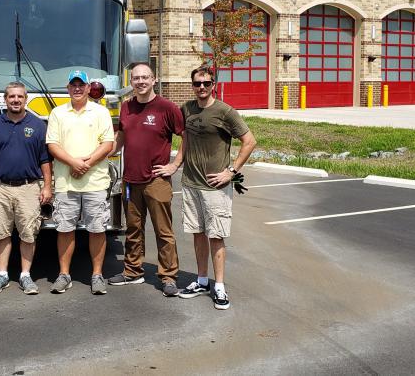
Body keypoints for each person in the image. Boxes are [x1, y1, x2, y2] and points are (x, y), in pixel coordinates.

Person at [175, 66, 257, 310]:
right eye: (197, 83)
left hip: (215, 187)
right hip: (191, 183)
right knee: (198, 233)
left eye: (206, 83)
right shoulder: (187, 109)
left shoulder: (225, 111)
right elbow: (185, 139)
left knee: (216, 235)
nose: (201, 87)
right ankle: (201, 280)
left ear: (214, 85)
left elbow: (249, 141)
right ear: (192, 85)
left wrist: (231, 172)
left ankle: (219, 286)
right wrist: (175, 164)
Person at [107, 63, 184, 297]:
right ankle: (133, 271)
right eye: (136, 78)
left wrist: (174, 165)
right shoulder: (126, 107)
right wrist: (102, 153)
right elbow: (121, 136)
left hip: (156, 180)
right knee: (133, 229)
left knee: (163, 231)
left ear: (154, 80)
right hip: (130, 180)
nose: (140, 82)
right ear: (131, 81)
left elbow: (186, 137)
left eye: (145, 77)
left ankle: (168, 276)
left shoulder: (167, 108)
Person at [0, 82, 53, 295]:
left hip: (29, 187)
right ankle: (2, 275)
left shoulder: (38, 125)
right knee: (0, 232)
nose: (16, 100)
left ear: (26, 99)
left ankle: (25, 276)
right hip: (0, 187)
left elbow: (45, 160)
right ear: (5, 99)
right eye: (11, 96)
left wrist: (47, 186)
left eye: (20, 96)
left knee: (28, 232)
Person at [45, 70, 115, 295]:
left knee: (97, 229)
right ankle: (64, 275)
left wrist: (85, 164)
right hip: (66, 183)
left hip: (95, 182)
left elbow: (108, 144)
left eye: (81, 85)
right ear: (68, 88)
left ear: (88, 88)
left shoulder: (101, 112)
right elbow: (52, 145)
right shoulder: (57, 113)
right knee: (65, 230)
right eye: (73, 85)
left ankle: (97, 275)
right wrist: (73, 163)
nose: (77, 88)